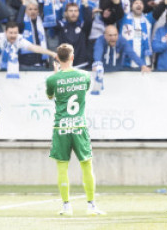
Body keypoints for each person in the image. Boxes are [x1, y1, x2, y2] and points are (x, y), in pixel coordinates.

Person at [46, 44, 106, 216]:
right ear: (72, 57)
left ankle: (66, 206)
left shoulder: (52, 80)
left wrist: (57, 76)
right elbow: (84, 91)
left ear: (57, 58)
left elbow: (51, 96)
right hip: (79, 125)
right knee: (87, 164)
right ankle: (91, 205)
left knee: (62, 167)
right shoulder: (84, 76)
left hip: (61, 127)